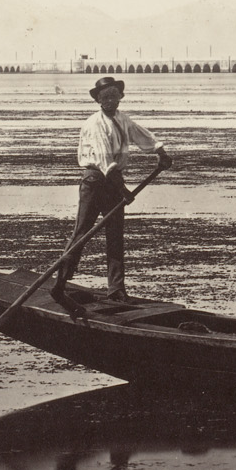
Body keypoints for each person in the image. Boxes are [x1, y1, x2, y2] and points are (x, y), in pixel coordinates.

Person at [55, 76, 171, 304]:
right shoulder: (94, 124)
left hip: (114, 182)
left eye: (113, 96)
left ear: (120, 97)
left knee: (116, 236)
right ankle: (60, 283)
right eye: (105, 97)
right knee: (81, 233)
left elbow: (141, 135)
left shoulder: (122, 119)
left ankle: (116, 289)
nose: (109, 101)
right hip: (95, 182)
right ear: (98, 100)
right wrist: (123, 189)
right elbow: (105, 159)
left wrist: (161, 152)